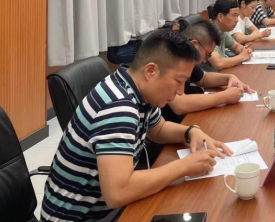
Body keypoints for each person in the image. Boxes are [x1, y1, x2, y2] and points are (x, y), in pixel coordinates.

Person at [41, 30, 232, 222]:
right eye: (178, 81)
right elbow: (117, 193)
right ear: (150, 71)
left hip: (105, 209)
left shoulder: (134, 87)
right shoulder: (118, 108)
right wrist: (185, 166)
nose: (181, 91)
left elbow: (158, 129)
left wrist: (190, 132)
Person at [164, 21, 255, 119]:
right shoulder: (168, 61)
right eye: (207, 54)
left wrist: (230, 78)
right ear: (194, 45)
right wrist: (225, 96)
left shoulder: (187, 58)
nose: (205, 60)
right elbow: (180, 105)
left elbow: (203, 78)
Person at [205, 0, 253, 71]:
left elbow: (235, 46)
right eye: (234, 15)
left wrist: (245, 50)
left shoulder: (221, 30)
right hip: (212, 75)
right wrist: (242, 56)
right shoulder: (207, 33)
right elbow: (218, 63)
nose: (237, 20)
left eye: (237, 16)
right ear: (220, 17)